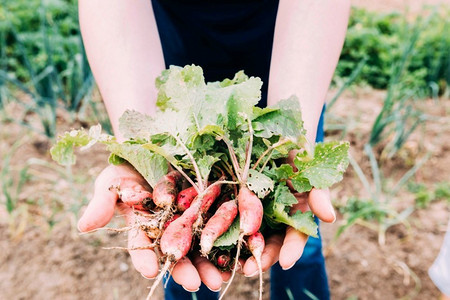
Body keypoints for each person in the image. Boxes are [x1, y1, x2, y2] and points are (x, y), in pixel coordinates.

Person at [76, 0, 350, 299]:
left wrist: (295, 140)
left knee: (298, 224)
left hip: (294, 54)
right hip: (167, 55)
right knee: (185, 265)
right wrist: (140, 149)